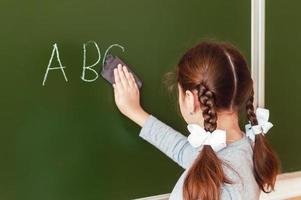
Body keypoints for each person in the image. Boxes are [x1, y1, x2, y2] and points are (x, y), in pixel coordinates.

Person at [111, 40, 281, 200]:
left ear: (190, 100)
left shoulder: (204, 190)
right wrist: (135, 112)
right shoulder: (247, 149)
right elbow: (184, 151)